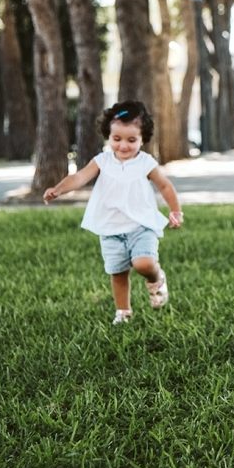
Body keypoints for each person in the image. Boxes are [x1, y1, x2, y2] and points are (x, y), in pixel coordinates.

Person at [43, 100, 184, 325]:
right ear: (108, 135)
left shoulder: (145, 162)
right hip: (110, 229)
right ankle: (123, 312)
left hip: (141, 227)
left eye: (131, 140)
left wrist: (176, 211)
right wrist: (59, 189)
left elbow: (165, 186)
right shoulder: (102, 161)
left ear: (142, 138)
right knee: (118, 273)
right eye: (116, 139)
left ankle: (156, 279)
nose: (123, 146)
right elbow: (79, 177)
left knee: (144, 264)